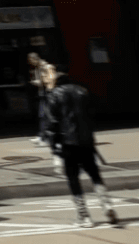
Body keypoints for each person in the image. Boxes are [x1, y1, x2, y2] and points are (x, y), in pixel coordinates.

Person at [45, 66, 119, 227]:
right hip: (86, 140)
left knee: (73, 178)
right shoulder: (82, 91)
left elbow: (52, 122)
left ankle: (84, 215)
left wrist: (54, 148)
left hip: (67, 142)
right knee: (94, 174)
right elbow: (92, 115)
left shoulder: (54, 95)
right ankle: (106, 204)